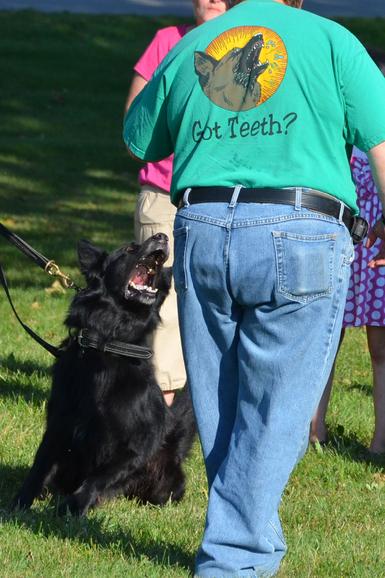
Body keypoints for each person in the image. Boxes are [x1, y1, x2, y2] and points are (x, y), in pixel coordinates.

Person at [123, 0, 385, 575]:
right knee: (276, 410)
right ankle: (234, 559)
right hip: (302, 232)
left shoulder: (202, 41)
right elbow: (383, 140)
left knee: (220, 404)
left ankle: (238, 540)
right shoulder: (333, 41)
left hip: (205, 228)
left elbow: (139, 138)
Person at [124, 0, 227, 406]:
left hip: (221, 200)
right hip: (164, 197)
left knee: (216, 304)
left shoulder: (250, 47)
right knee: (162, 309)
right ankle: (159, 421)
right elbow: (133, 129)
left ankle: (203, 409)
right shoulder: (168, 41)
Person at [310, 47, 385, 453]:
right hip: (338, 242)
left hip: (378, 250)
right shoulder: (335, 131)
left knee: (380, 346)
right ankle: (313, 428)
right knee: (324, 337)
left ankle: (380, 440)